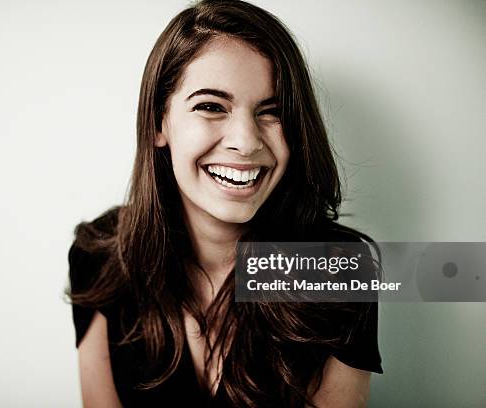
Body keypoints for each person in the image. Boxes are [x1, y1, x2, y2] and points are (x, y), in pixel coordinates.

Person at [67, 0, 382, 406]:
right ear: (157, 123)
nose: (247, 142)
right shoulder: (100, 252)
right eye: (211, 106)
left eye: (272, 111)